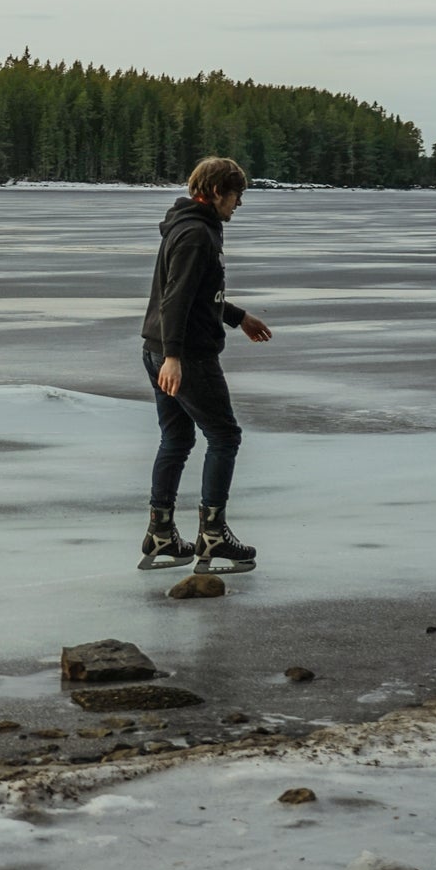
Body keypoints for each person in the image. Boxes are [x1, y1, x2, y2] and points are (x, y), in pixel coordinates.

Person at [137, 156, 272, 574]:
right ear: (216, 192)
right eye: (236, 195)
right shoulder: (197, 234)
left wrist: (236, 317)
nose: (239, 204)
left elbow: (196, 295)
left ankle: (161, 534)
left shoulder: (189, 226)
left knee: (176, 440)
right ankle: (213, 535)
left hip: (158, 347)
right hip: (185, 355)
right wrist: (175, 357)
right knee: (225, 435)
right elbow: (175, 298)